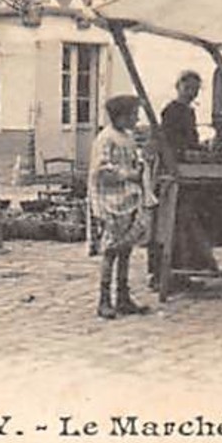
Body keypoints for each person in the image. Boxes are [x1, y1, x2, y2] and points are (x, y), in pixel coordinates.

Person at [89, 95, 152, 319]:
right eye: (134, 115)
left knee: (126, 248)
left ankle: (123, 296)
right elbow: (102, 170)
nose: (137, 119)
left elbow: (135, 161)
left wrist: (141, 166)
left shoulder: (128, 137)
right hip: (111, 201)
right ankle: (104, 299)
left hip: (129, 199)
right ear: (121, 116)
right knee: (111, 250)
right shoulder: (106, 139)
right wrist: (129, 174)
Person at [159, 70, 221, 274]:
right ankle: (169, 271)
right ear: (178, 87)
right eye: (188, 88)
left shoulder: (189, 111)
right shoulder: (171, 110)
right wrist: (185, 154)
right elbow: (169, 143)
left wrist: (203, 149)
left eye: (195, 89)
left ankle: (187, 268)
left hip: (189, 169)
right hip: (175, 169)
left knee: (192, 218)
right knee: (177, 221)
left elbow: (191, 140)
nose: (191, 93)